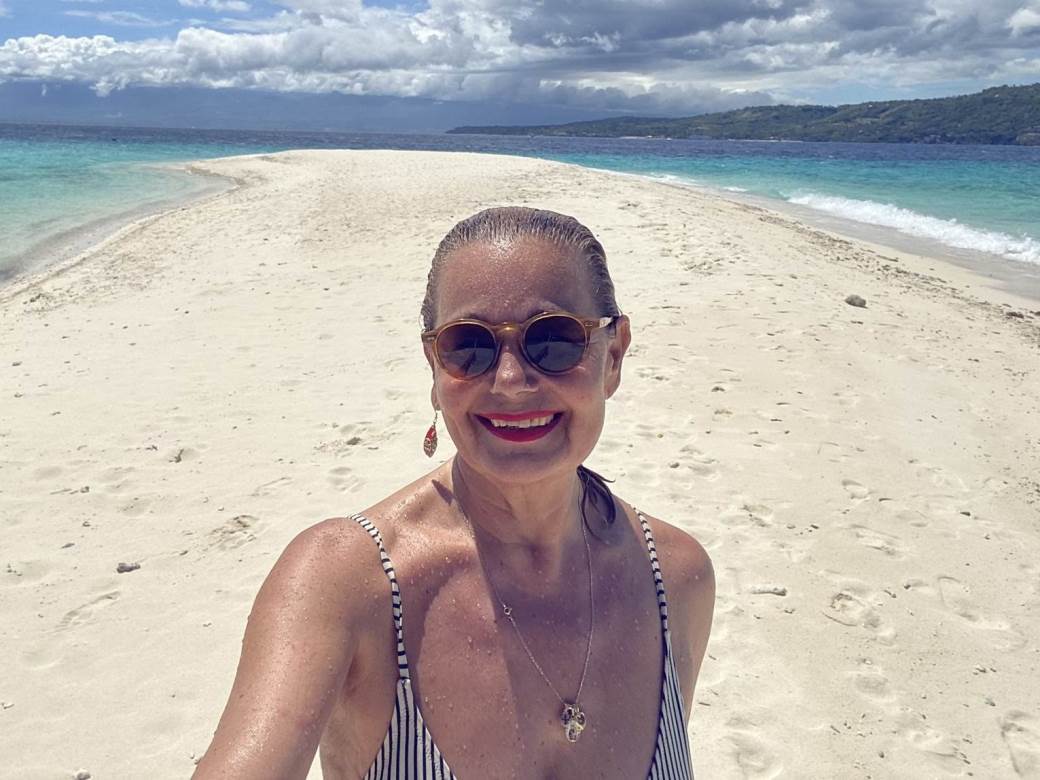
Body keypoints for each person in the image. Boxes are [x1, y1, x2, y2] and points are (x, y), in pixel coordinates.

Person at [194, 207, 715, 779]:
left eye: (555, 340)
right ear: (434, 367)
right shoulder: (346, 582)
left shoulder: (676, 577)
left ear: (612, 356)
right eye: (468, 347)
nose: (510, 381)